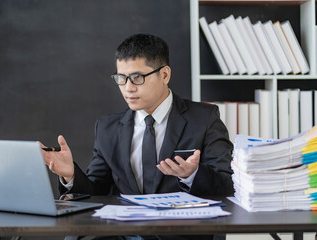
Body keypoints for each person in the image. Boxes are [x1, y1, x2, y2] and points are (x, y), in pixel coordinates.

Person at [41, 33, 233, 240]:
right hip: (123, 234)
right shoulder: (108, 128)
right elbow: (97, 191)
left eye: (137, 78)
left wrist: (192, 175)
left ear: (165, 75)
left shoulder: (204, 118)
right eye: (121, 78)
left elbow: (228, 184)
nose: (128, 88)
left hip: (178, 234)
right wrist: (70, 175)